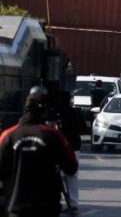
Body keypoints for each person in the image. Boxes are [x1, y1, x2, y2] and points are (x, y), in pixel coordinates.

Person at [0, 88, 78, 217]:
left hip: (16, 206)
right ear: (45, 111)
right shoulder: (53, 135)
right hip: (47, 206)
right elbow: (71, 167)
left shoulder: (8, 136)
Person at [53, 91, 86, 214]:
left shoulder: (56, 114)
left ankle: (56, 203)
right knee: (72, 176)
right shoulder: (75, 112)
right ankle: (73, 204)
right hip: (73, 148)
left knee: (56, 177)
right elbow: (83, 128)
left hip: (59, 148)